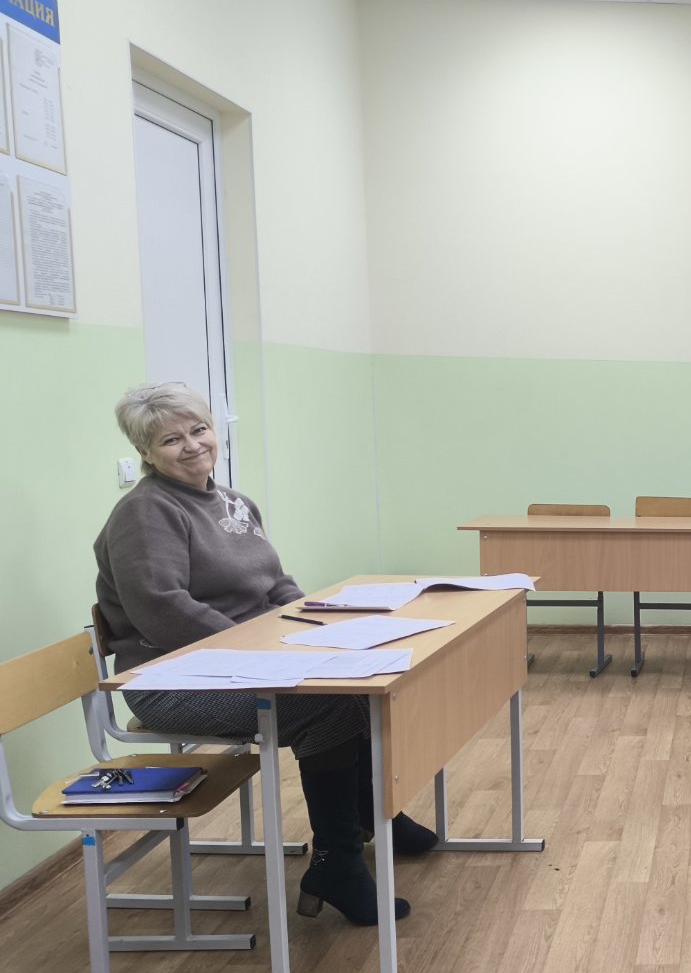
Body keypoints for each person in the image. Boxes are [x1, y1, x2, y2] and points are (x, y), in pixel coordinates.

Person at [94, 382, 436, 925]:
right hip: (174, 679)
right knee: (327, 706)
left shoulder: (232, 501)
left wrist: (320, 628)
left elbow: (274, 585)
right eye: (171, 440)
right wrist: (261, 651)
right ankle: (338, 863)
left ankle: (376, 817)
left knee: (362, 690)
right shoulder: (145, 513)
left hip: (246, 660)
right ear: (145, 452)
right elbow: (162, 609)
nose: (192, 445)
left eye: (199, 430)